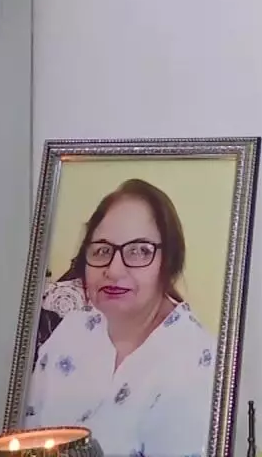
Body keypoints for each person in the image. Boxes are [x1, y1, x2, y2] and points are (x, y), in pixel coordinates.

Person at [25, 178, 217, 457]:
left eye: (139, 251)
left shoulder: (197, 362)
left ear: (169, 261)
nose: (114, 270)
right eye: (102, 250)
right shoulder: (70, 332)